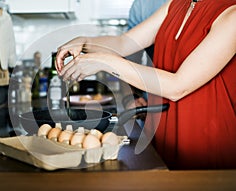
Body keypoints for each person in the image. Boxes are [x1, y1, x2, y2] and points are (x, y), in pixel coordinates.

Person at [55, 0, 236, 170]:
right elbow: (124, 43)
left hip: (208, 139)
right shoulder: (176, 5)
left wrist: (105, 62)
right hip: (163, 134)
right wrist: (85, 42)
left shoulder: (232, 15)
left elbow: (178, 86)